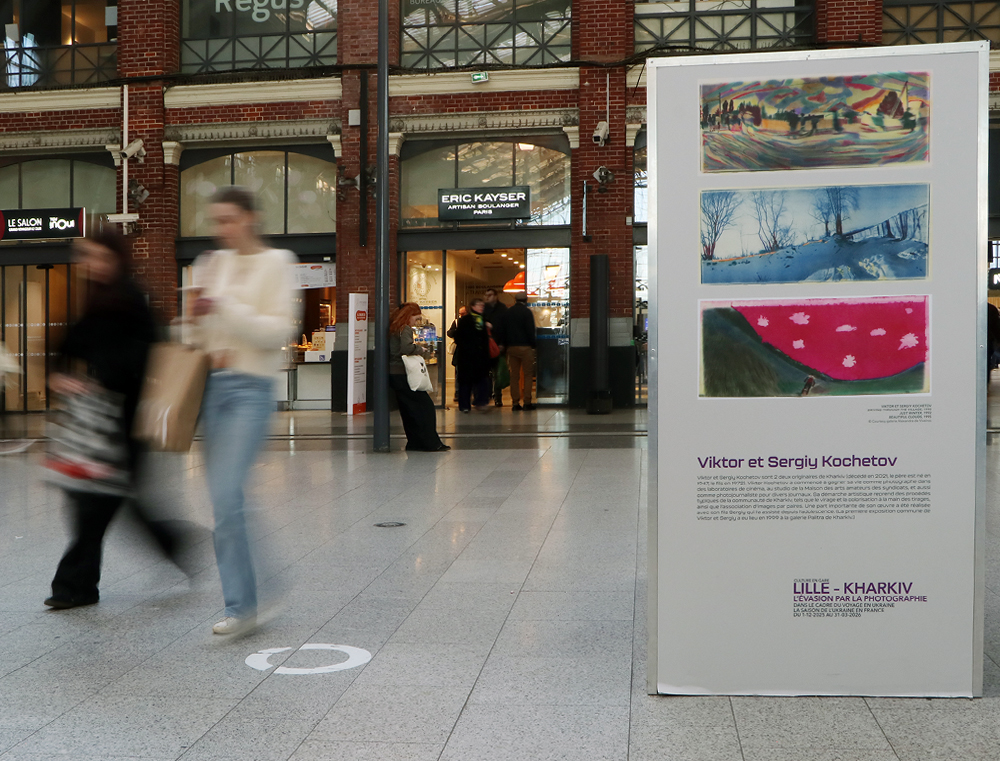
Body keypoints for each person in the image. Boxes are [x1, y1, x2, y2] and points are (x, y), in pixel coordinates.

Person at [45, 229, 182, 609]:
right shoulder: (94, 299)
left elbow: (150, 354)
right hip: (98, 421)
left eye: (99, 257)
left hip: (127, 421)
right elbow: (69, 344)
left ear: (117, 259)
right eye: (87, 257)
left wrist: (104, 378)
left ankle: (74, 585)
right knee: (104, 501)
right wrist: (59, 375)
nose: (92, 265)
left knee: (100, 503)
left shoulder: (132, 298)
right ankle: (172, 544)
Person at [187, 186, 299, 636]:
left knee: (229, 491)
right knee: (223, 500)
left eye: (229, 219)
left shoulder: (278, 263)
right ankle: (249, 598)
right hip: (212, 386)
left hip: (252, 388)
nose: (222, 229)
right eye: (216, 221)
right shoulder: (210, 263)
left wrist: (223, 305)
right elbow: (198, 334)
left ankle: (245, 604)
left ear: (250, 218)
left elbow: (275, 332)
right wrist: (193, 317)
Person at [389, 302, 450, 452]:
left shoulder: (394, 329)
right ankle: (431, 443)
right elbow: (407, 348)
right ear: (408, 316)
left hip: (394, 374)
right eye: (415, 318)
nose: (416, 322)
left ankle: (414, 442)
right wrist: (420, 349)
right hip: (404, 373)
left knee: (408, 410)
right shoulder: (405, 328)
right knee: (426, 407)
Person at [499, 292, 537, 411]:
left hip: (511, 348)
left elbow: (503, 330)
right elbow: (530, 330)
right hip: (525, 347)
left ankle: (515, 403)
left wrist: (505, 345)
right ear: (526, 300)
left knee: (514, 376)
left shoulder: (508, 312)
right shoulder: (527, 312)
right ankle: (527, 402)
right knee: (528, 375)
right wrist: (533, 345)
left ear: (515, 300)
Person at [454, 298, 492, 412]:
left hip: (480, 357)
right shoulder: (465, 320)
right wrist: (468, 346)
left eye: (482, 305)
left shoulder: (483, 320)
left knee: (482, 380)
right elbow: (458, 337)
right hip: (467, 357)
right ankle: (465, 405)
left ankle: (480, 401)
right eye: (478, 305)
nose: (481, 307)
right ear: (472, 306)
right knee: (466, 383)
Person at [483, 288, 508, 406]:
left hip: (498, 345)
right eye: (486, 295)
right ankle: (487, 395)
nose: (488, 297)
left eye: (490, 295)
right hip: (485, 346)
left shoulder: (502, 309)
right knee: (486, 373)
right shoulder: (483, 309)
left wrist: (503, 343)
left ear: (496, 296)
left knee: (498, 372)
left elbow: (506, 329)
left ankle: (498, 397)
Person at [447, 306, 467, 403]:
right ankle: (458, 393)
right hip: (460, 351)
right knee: (459, 373)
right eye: (460, 314)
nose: (461, 316)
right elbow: (449, 333)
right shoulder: (456, 322)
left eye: (463, 313)